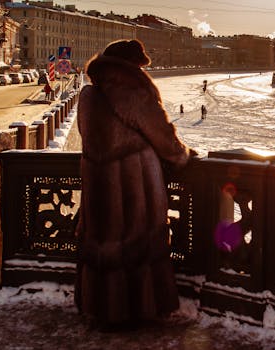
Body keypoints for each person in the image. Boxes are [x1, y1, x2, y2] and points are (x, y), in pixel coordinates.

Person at [74, 39, 196, 330]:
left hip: (97, 182)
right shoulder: (133, 92)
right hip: (134, 183)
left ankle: (103, 308)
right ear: (129, 65)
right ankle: (137, 309)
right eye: (139, 65)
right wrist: (182, 157)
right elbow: (164, 137)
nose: (143, 71)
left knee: (104, 241)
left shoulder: (89, 95)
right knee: (137, 243)